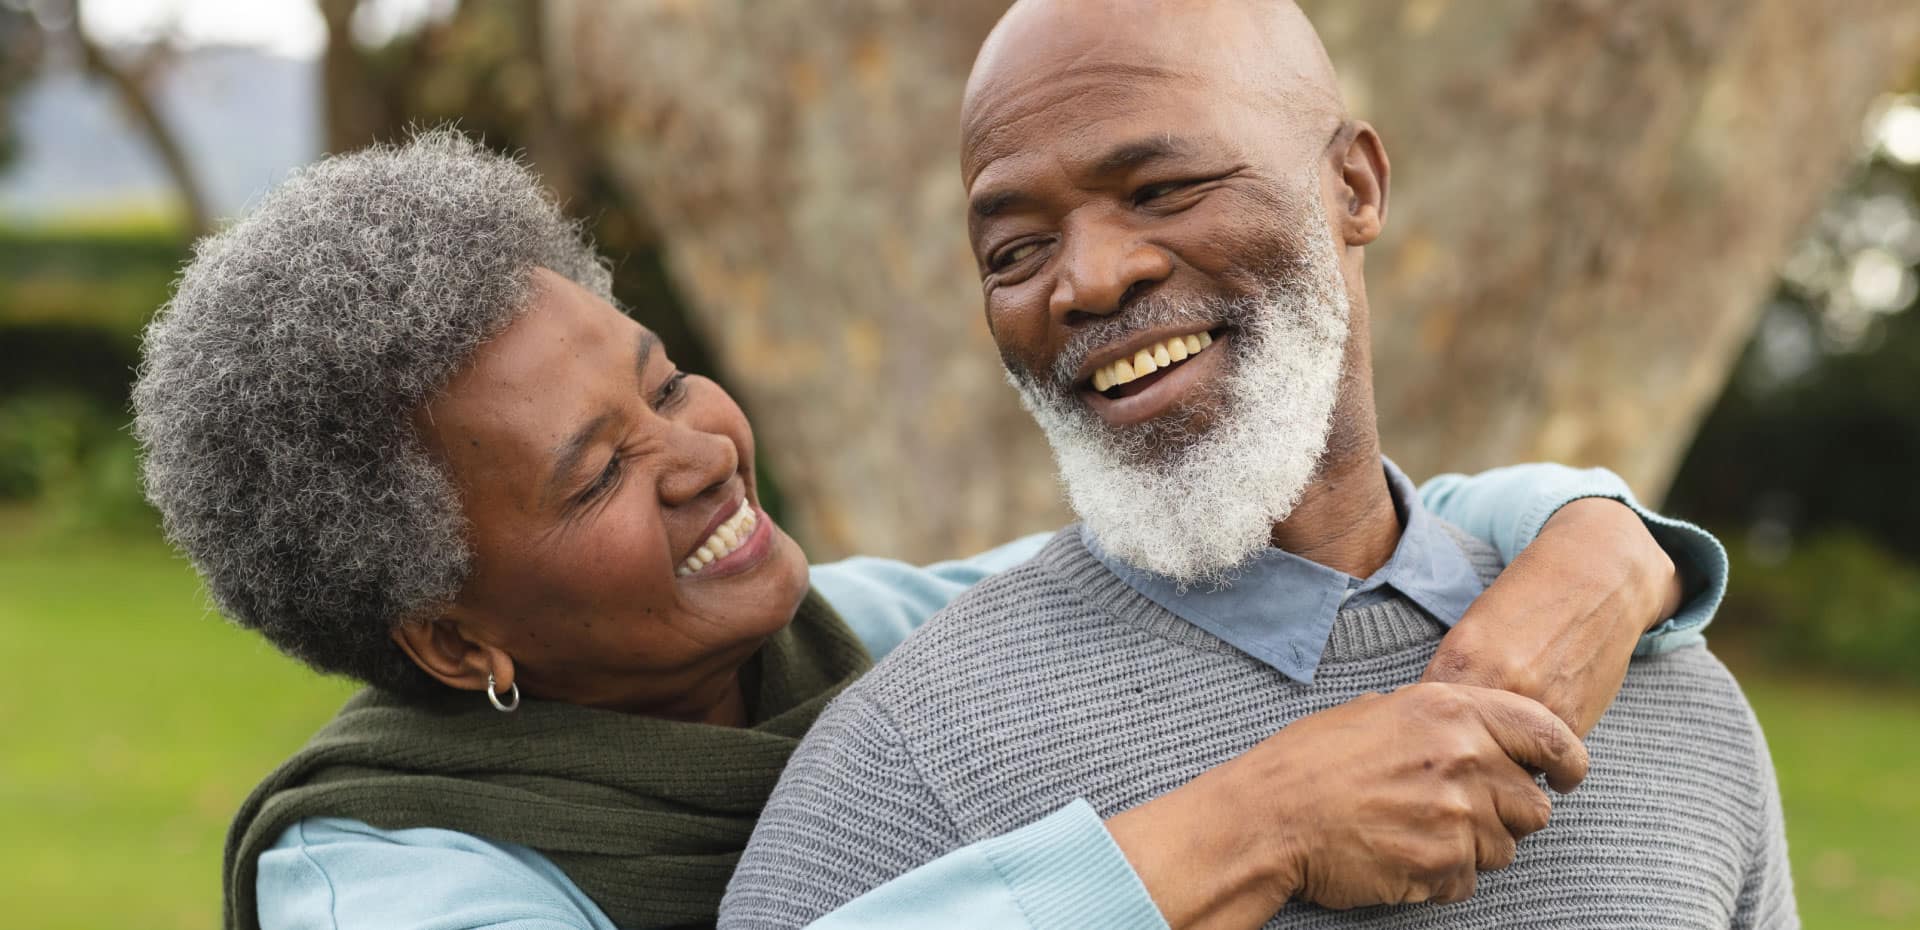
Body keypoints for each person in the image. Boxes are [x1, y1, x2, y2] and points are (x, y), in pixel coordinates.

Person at [133, 131, 1725, 930]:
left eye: (666, 380)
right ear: (455, 635)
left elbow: (1370, 517)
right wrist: (1245, 826)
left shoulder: (878, 638)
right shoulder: (384, 879)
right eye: (596, 475)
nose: (695, 452)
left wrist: (1604, 543)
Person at [723, 2, 1796, 928]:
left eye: (1161, 189)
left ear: (1356, 187)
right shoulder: (900, 766)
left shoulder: (1669, 697)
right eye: (1015, 251)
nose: (1087, 281)